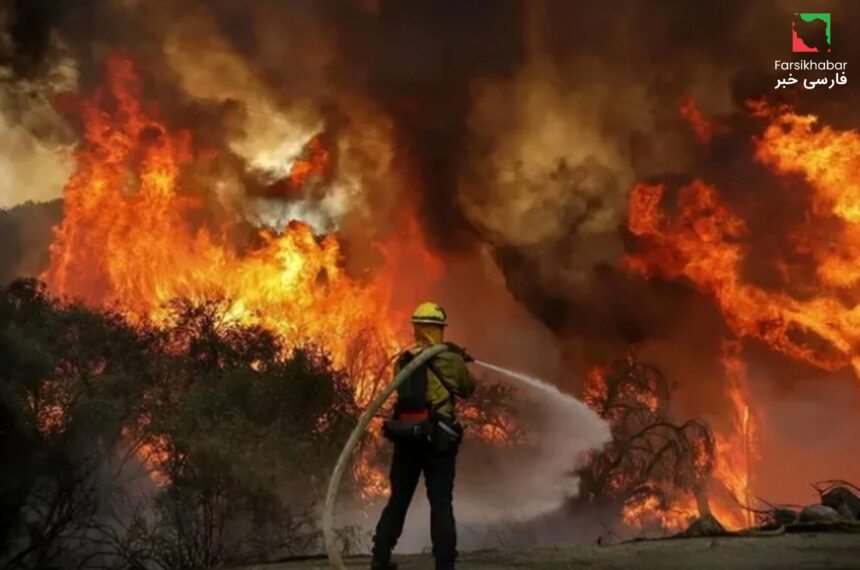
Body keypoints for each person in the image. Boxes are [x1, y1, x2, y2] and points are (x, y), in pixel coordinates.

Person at [370, 302, 477, 570]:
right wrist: (459, 362)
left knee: (398, 499)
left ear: (416, 328)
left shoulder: (404, 361)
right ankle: (444, 564)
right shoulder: (450, 360)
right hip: (438, 440)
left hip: (407, 438)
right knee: (440, 502)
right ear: (440, 329)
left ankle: (380, 557)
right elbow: (467, 389)